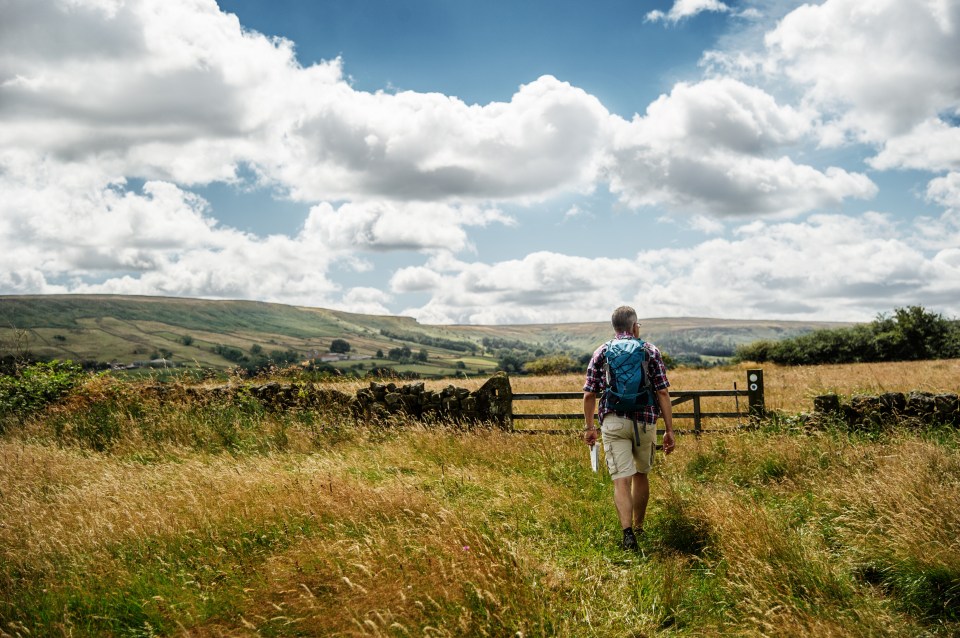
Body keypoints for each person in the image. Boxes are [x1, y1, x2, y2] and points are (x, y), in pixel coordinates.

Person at [583, 305, 675, 551]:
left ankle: (628, 535)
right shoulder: (649, 351)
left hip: (613, 421)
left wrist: (590, 427)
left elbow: (589, 394)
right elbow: (663, 392)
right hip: (644, 420)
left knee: (620, 480)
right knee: (640, 474)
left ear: (615, 328)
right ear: (635, 326)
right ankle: (640, 525)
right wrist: (669, 430)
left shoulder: (601, 352)